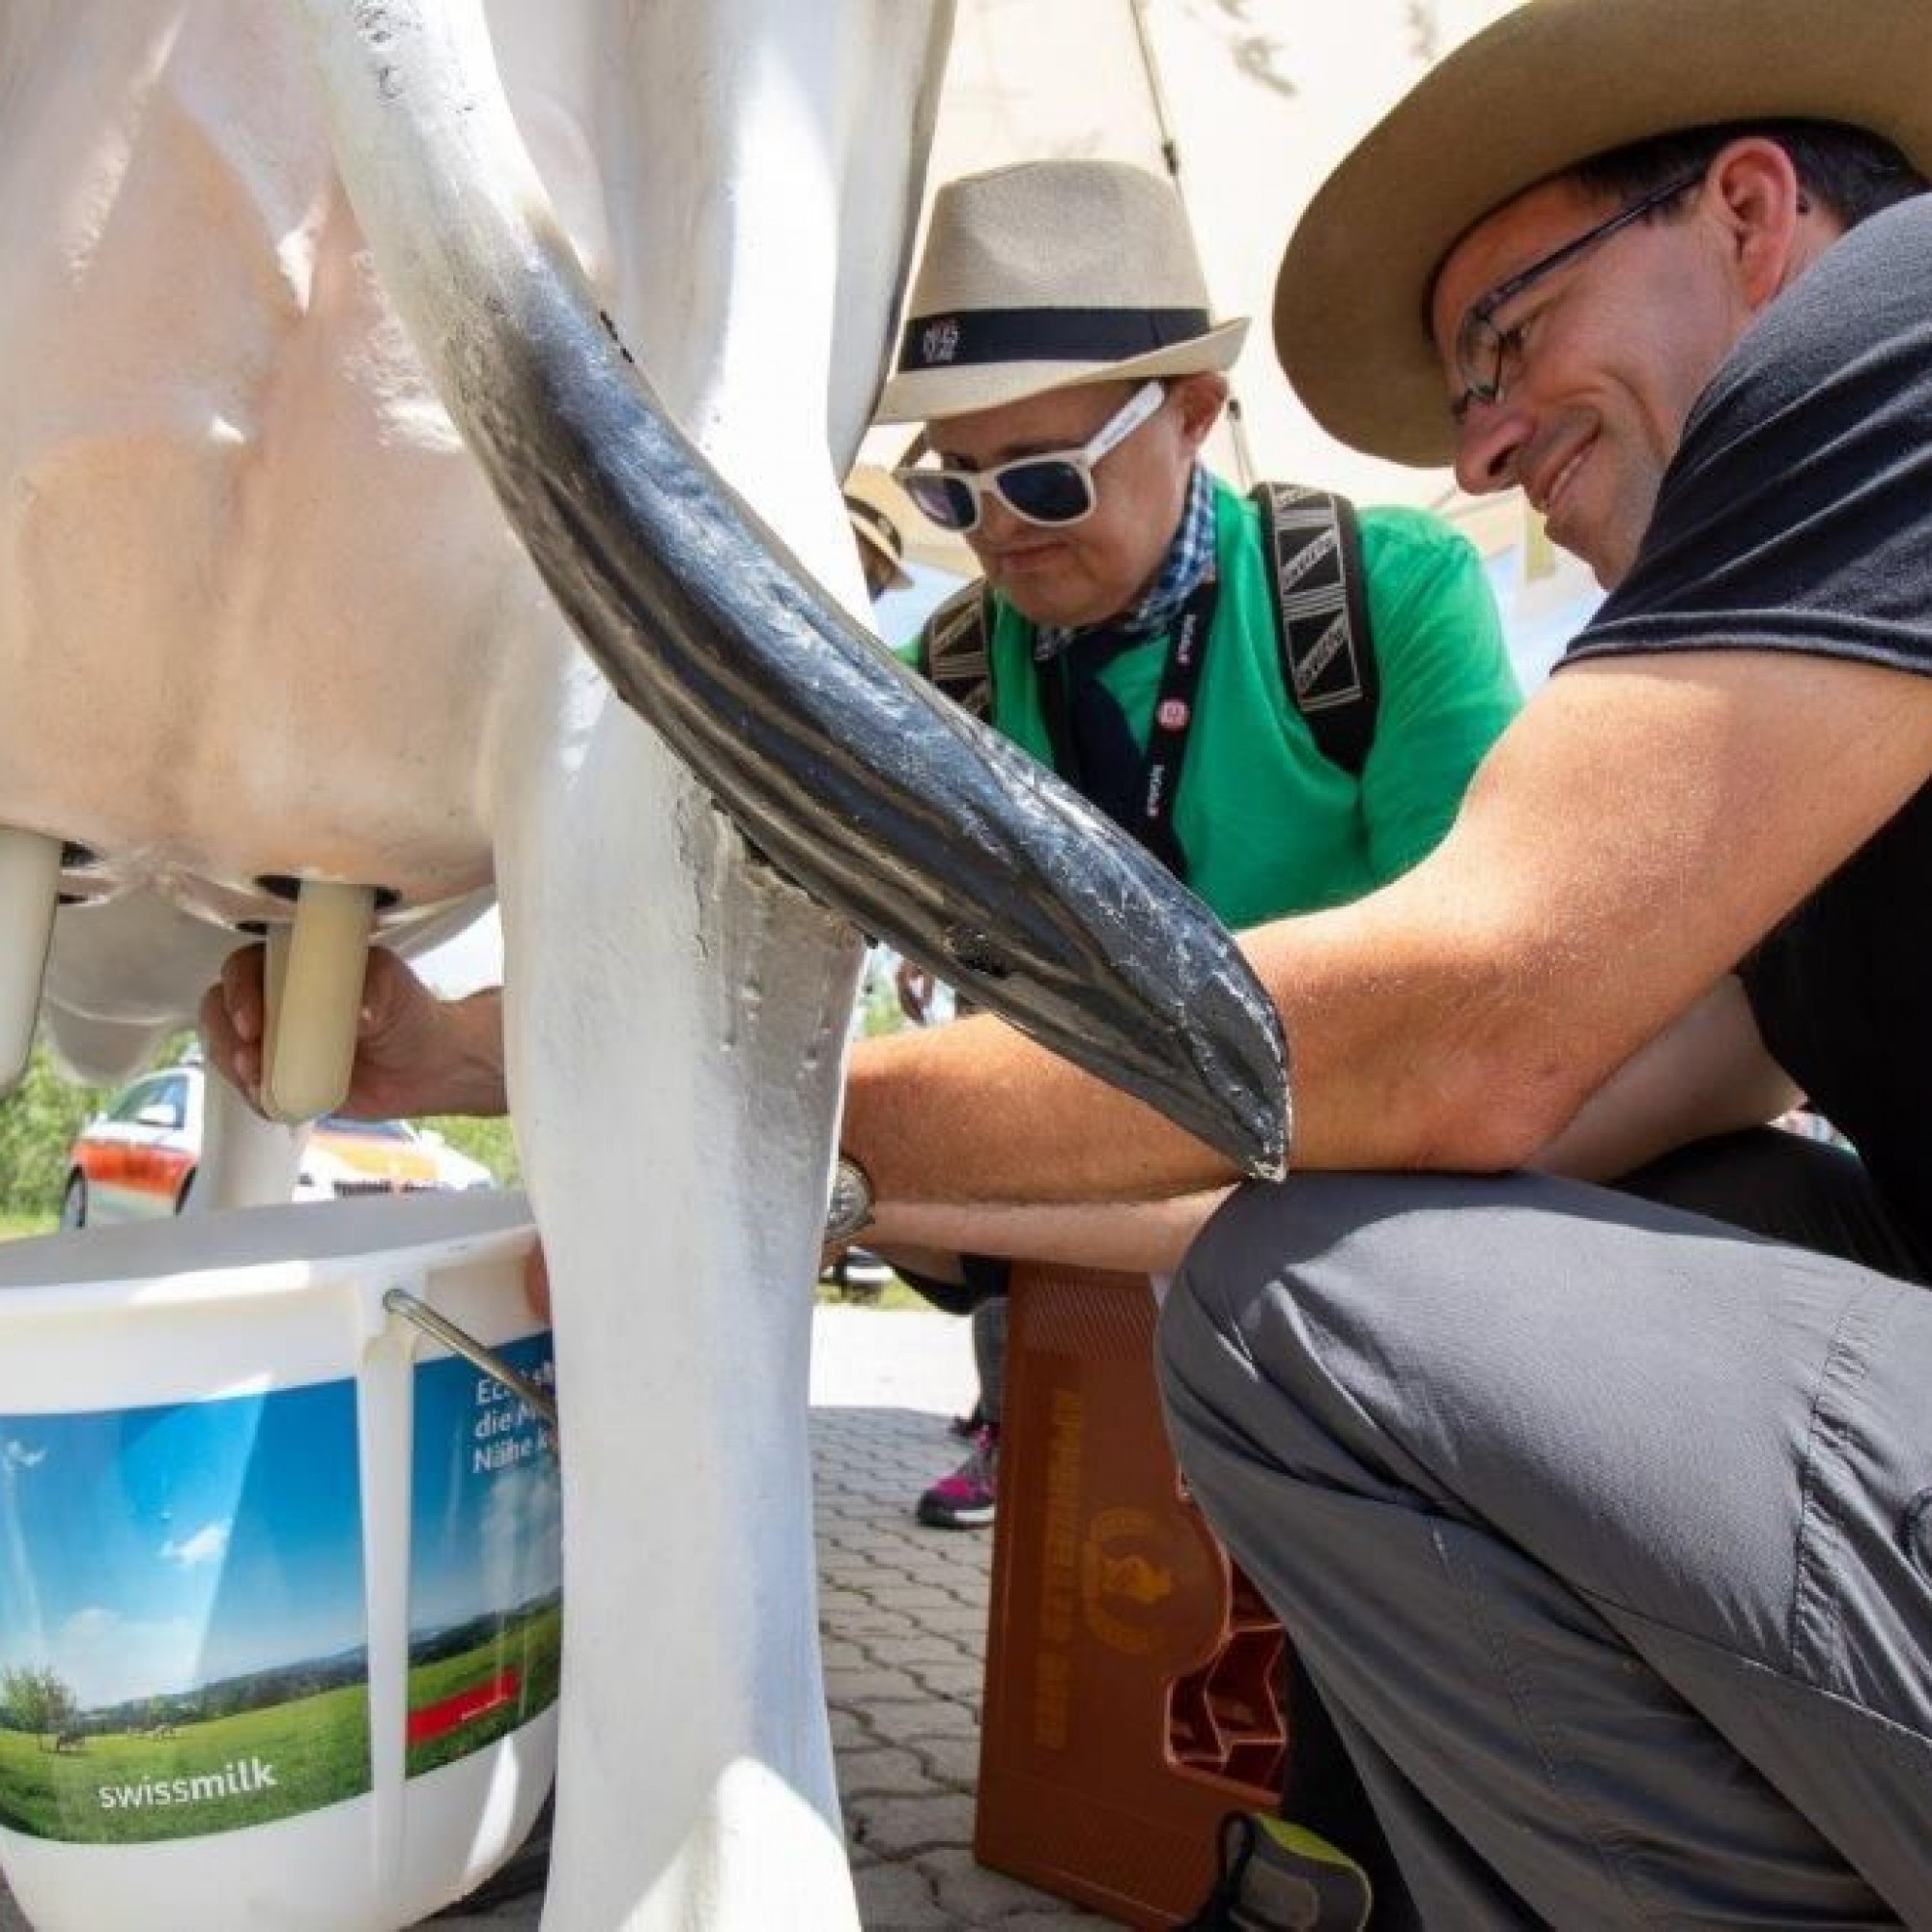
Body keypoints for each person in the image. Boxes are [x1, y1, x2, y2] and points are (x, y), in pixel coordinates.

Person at [818, 3, 1932, 1920]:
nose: (1485, 454)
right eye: (949, 493)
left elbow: (1462, 1032)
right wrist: (858, 1184)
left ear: (1752, 214)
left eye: (1505, 343)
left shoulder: (1893, 325)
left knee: (1303, 1309)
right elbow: (1486, 1128)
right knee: (1667, 1193)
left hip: (1344, 1096)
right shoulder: (1799, 781)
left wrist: (801, 1114)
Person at [868, 157, 1520, 1533]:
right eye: (955, 493)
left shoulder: (1383, 600)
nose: (998, 537)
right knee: (1097, 1686)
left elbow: (1455, 1013)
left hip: (1353, 1262)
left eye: (1045, 482)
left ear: (1195, 415)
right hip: (1069, 1287)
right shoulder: (942, 684)